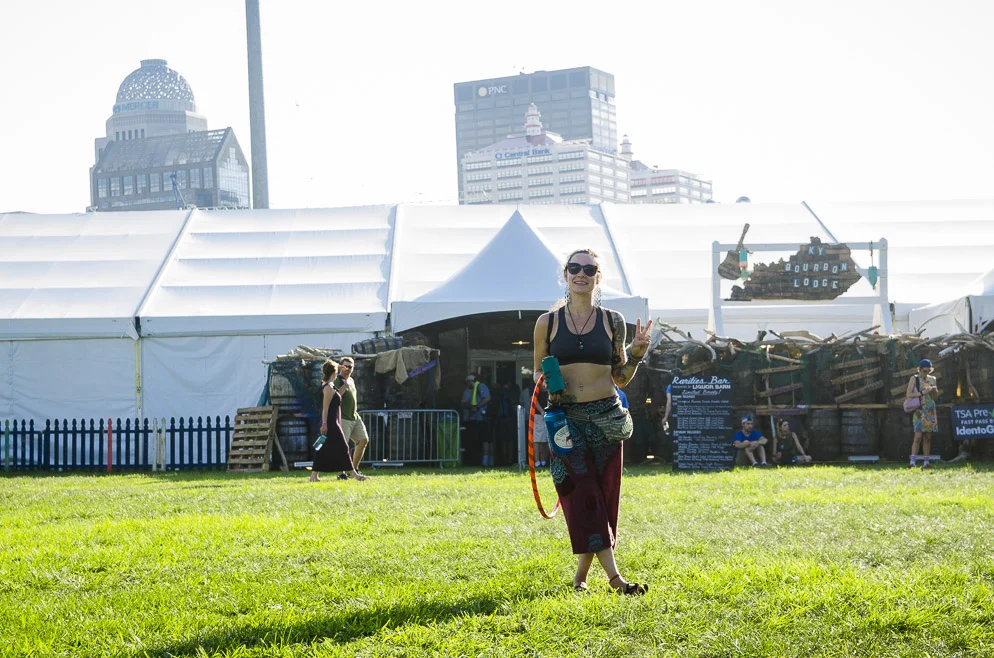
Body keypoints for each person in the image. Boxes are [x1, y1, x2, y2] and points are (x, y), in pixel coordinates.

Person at [533, 247, 652, 595]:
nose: (581, 273)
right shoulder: (547, 323)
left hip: (607, 417)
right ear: (565, 274)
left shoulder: (612, 321)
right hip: (566, 421)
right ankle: (616, 579)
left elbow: (621, 377)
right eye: (574, 267)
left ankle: (580, 578)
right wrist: (552, 391)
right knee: (582, 493)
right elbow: (539, 373)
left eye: (589, 268)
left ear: (598, 277)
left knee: (602, 495)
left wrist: (638, 355)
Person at [309, 360, 368, 482]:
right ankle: (354, 474)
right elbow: (325, 408)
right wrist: (324, 424)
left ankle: (314, 476)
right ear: (334, 372)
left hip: (333, 422)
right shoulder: (328, 388)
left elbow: (328, 370)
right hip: (331, 423)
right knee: (343, 448)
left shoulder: (328, 384)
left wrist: (338, 366)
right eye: (338, 369)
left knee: (322, 448)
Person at [334, 356, 370, 481]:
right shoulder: (337, 380)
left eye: (350, 367)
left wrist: (348, 380)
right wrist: (344, 381)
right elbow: (336, 396)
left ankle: (353, 469)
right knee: (342, 446)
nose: (347, 369)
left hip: (354, 416)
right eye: (345, 366)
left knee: (363, 440)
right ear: (340, 366)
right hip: (343, 417)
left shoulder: (352, 380)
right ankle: (341, 473)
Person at [906, 358, 940, 469]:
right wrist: (922, 393)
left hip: (930, 410)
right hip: (919, 410)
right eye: (924, 371)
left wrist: (934, 391)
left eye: (928, 371)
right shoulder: (914, 378)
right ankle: (912, 462)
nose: (926, 373)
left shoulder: (932, 379)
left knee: (928, 437)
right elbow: (908, 395)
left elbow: (935, 398)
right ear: (919, 370)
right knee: (918, 436)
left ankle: (926, 463)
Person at [461, 374, 491, 466]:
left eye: (468, 382)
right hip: (477, 418)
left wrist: (477, 407)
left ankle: (486, 461)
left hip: (483, 418)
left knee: (485, 439)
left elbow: (487, 398)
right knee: (480, 439)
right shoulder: (474, 389)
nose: (467, 384)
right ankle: (481, 460)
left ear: (470, 381)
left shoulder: (481, 386)